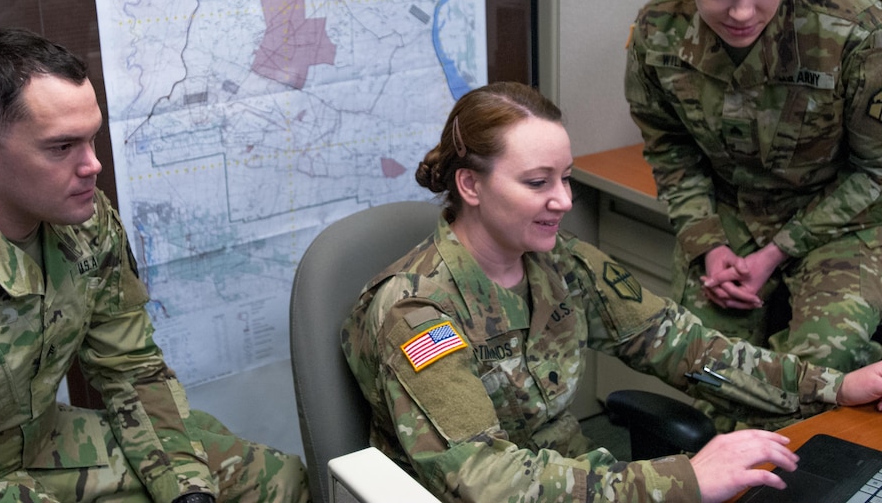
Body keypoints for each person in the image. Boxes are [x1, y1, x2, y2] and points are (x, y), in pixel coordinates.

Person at [0, 28, 310, 503]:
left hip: (33, 448)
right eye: (62, 147)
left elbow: (132, 371)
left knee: (271, 478)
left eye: (91, 138)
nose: (92, 165)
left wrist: (187, 490)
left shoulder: (84, 221)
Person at [342, 81, 882, 503]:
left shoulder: (561, 265)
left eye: (566, 178)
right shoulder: (417, 314)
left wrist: (834, 387)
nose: (564, 201)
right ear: (471, 185)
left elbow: (685, 346)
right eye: (537, 182)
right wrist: (680, 480)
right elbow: (483, 480)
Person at [624, 0, 882, 375]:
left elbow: (876, 173)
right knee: (703, 364)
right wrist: (707, 242)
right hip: (731, 213)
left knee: (824, 363)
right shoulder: (659, 28)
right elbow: (670, 147)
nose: (743, 12)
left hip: (844, 221)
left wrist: (777, 252)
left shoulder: (859, 28)